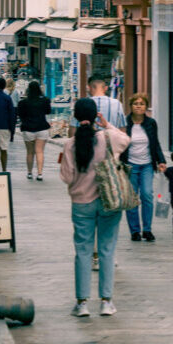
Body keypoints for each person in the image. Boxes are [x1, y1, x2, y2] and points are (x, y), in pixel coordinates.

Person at [60, 98, 131, 317]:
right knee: (107, 250)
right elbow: (126, 139)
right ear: (94, 116)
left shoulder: (70, 144)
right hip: (109, 201)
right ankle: (106, 302)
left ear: (75, 115)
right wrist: (106, 124)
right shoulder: (107, 137)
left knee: (82, 251)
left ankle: (82, 303)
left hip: (81, 203)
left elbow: (67, 177)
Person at [120, 93, 167, 242]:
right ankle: (135, 231)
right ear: (131, 106)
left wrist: (161, 160)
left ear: (146, 107)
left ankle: (147, 229)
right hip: (130, 165)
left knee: (147, 194)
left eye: (142, 103)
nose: (139, 106)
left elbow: (155, 143)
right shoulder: (124, 123)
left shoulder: (151, 123)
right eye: (136, 103)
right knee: (132, 198)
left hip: (147, 164)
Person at [17, 81, 51, 180]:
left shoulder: (23, 102)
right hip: (42, 128)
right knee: (40, 151)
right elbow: (48, 111)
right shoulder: (45, 100)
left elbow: (20, 114)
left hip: (28, 129)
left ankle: (29, 173)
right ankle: (40, 174)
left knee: (30, 152)